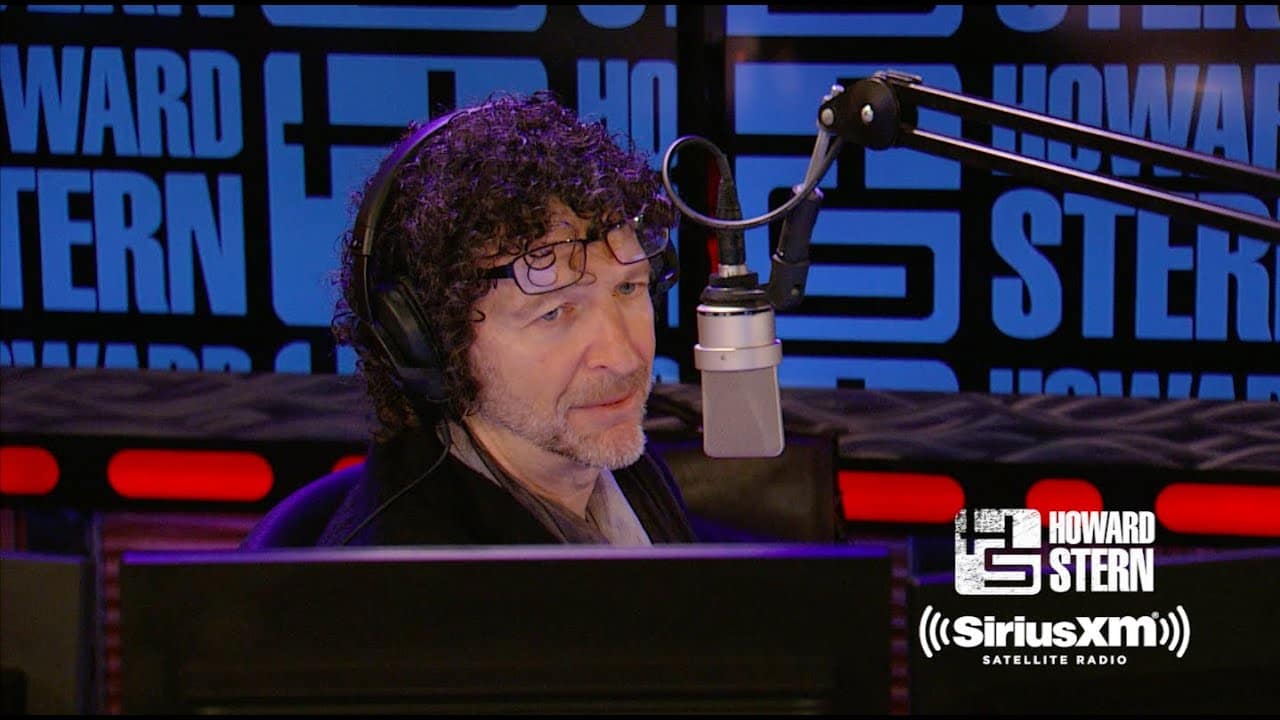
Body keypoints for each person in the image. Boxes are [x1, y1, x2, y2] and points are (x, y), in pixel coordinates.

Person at [310, 91, 699, 546]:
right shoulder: (408, 578)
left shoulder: (620, 467)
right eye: (554, 312)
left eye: (628, 288)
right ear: (434, 341)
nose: (623, 357)